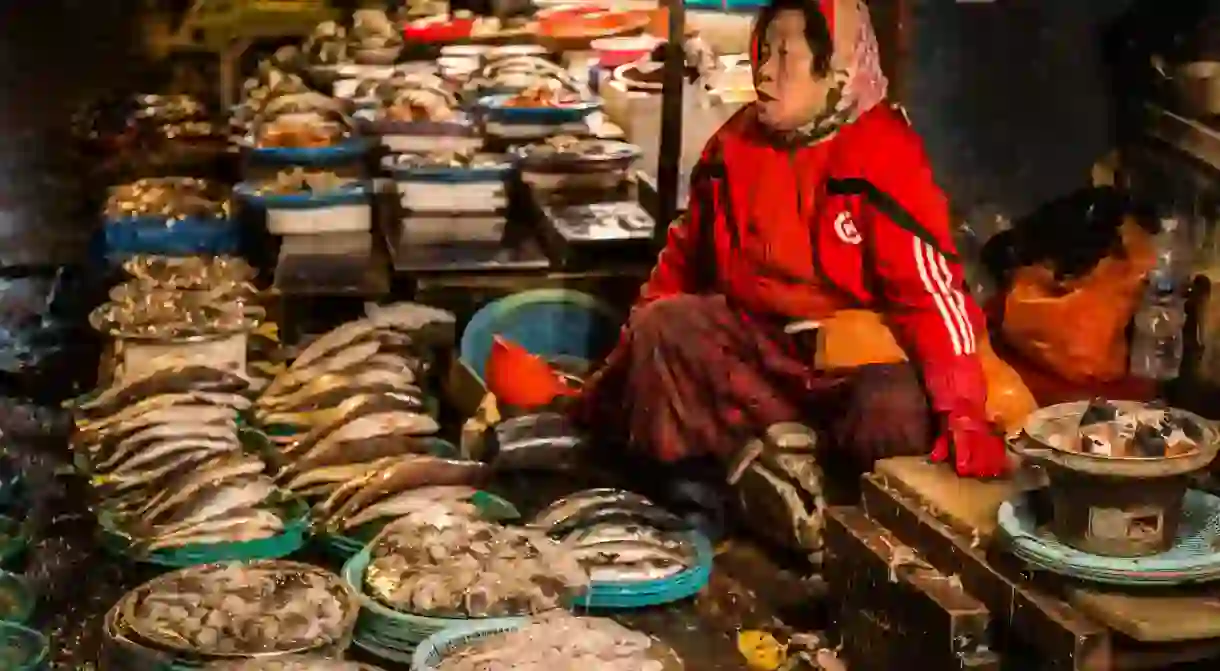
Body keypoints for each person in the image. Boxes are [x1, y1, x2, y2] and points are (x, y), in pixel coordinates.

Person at [574, 0, 1012, 486]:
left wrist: (964, 413)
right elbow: (677, 269)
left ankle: (816, 497)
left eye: (785, 56)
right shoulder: (734, 146)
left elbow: (932, 296)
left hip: (846, 369)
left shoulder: (881, 157)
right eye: (762, 52)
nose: (764, 72)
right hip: (759, 360)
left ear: (836, 73)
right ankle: (753, 478)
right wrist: (610, 380)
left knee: (898, 408)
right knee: (665, 328)